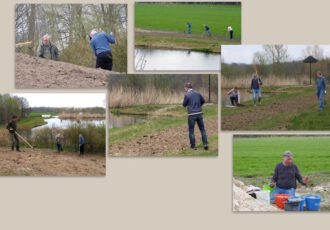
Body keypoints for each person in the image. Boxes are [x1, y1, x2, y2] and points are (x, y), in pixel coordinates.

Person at [182, 82, 208, 150]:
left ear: (187, 88)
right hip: (199, 113)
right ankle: (205, 144)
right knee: (202, 130)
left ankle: (193, 146)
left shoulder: (187, 95)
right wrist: (199, 106)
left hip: (191, 115)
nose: (184, 89)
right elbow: (203, 101)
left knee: (191, 131)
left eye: (184, 88)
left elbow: (184, 105)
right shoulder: (198, 93)